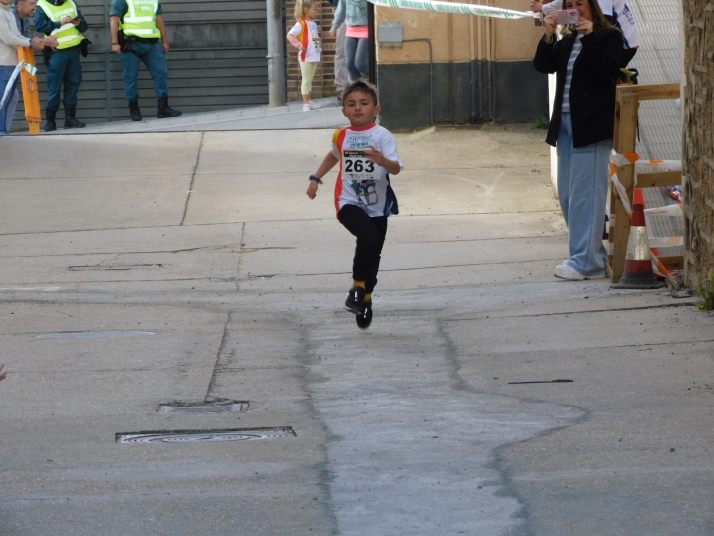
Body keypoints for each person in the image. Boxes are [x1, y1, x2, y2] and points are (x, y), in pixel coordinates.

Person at [533, 0, 623, 280]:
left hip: (591, 126)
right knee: (569, 195)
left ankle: (585, 262)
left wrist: (591, 35)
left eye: (579, 4)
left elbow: (605, 69)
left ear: (592, 7)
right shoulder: (567, 41)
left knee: (587, 194)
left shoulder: (609, 36)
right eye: (569, 5)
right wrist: (549, 35)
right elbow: (543, 65)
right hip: (566, 125)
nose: (575, 9)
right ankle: (590, 256)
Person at [306, 80, 403, 328]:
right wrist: (316, 178)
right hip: (348, 201)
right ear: (344, 111)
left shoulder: (382, 136)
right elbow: (333, 155)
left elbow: (396, 168)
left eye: (364, 103)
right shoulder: (341, 136)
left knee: (374, 253)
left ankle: (366, 297)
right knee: (368, 238)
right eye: (351, 104)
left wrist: (382, 160)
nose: (357, 108)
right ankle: (357, 288)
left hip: (378, 206)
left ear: (376, 109)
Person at [109, 0, 181, 121]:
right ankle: (134, 111)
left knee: (161, 73)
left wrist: (165, 41)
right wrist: (115, 42)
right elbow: (114, 20)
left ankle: (163, 108)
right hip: (131, 44)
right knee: (130, 77)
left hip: (152, 44)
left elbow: (159, 19)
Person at [34, 0, 89, 131]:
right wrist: (60, 23)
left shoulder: (71, 3)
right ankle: (51, 121)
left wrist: (79, 23)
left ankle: (70, 119)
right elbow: (39, 25)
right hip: (56, 52)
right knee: (54, 86)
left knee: (73, 84)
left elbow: (85, 26)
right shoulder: (43, 5)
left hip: (74, 50)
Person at [530, 0, 639, 65]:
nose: (572, 8)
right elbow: (570, 3)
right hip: (624, 38)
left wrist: (559, 16)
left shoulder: (610, 34)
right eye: (569, 6)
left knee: (602, 77)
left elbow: (604, 20)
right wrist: (544, 8)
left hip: (625, 42)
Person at [1, 0, 47, 135]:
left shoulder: (8, 12)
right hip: (2, 63)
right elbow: (9, 39)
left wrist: (32, 42)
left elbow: (17, 36)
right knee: (2, 98)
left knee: (8, 98)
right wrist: (30, 42)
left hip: (13, 64)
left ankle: (4, 130)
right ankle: (1, 130)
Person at [287, 0, 322, 112]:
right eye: (314, 9)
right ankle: (306, 103)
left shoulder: (313, 23)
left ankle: (309, 100)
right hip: (306, 56)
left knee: (310, 79)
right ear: (307, 10)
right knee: (306, 80)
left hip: (314, 54)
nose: (316, 11)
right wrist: (299, 46)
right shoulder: (301, 23)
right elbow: (290, 35)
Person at [329, 0, 368, 83]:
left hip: (366, 29)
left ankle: (381, 79)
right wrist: (335, 26)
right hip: (351, 30)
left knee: (361, 64)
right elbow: (341, 10)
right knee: (350, 64)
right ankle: (358, 89)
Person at [330, 0, 348, 102]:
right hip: (343, 10)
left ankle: (355, 86)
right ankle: (342, 88)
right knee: (342, 51)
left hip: (362, 11)